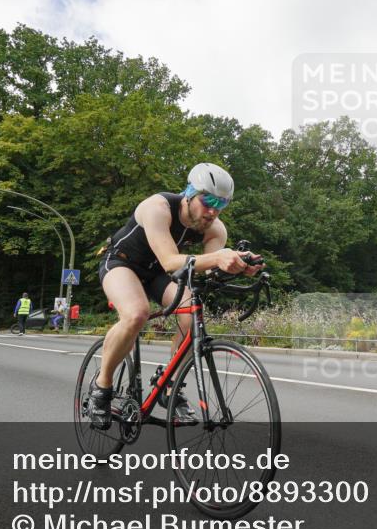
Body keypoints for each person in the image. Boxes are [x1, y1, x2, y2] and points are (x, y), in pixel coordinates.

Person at [91, 163, 262, 429]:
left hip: (157, 274)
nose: (213, 211)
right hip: (122, 263)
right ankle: (102, 388)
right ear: (190, 193)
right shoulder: (157, 208)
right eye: (208, 201)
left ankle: (169, 385)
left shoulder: (216, 229)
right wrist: (218, 256)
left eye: (222, 204)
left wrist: (240, 267)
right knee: (137, 313)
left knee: (191, 317)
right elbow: (171, 261)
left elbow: (207, 269)